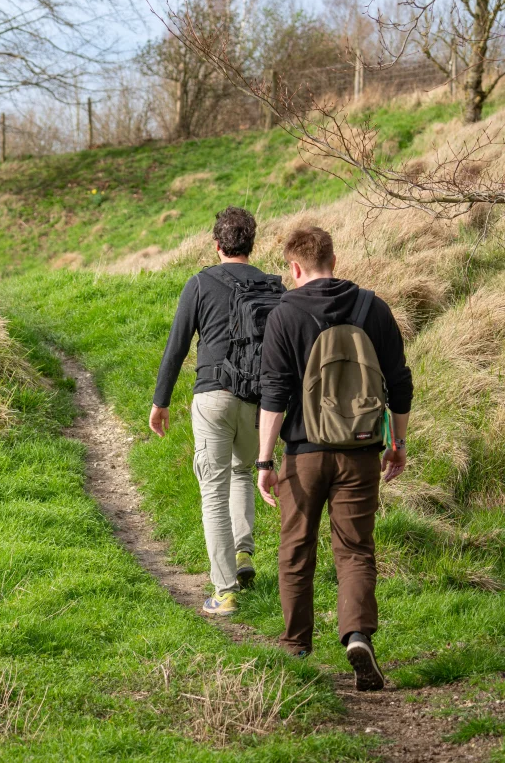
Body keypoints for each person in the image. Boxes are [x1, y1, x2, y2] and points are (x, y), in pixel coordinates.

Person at [256, 226, 412, 691]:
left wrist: (265, 461)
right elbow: (400, 382)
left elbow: (274, 393)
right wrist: (396, 443)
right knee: (356, 549)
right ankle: (357, 635)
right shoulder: (372, 308)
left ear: (295, 268)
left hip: (303, 454)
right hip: (361, 450)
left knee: (296, 547)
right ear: (335, 260)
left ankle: (296, 647)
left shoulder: (284, 315)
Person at [149, 206, 280, 616]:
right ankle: (244, 553)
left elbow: (177, 346)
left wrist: (161, 401)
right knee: (244, 471)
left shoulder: (200, 283)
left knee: (213, 491)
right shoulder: (274, 287)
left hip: (213, 397)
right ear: (251, 243)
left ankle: (223, 592)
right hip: (260, 400)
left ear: (216, 243)